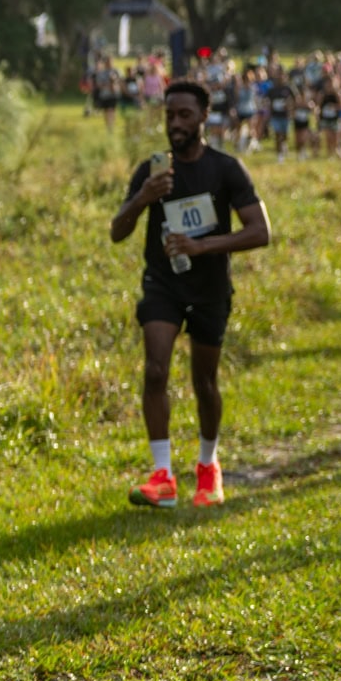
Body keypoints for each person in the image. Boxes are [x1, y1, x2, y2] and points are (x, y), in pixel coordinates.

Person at [109, 80, 272, 510]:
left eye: (184, 115)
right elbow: (116, 232)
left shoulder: (226, 169)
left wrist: (203, 246)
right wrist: (143, 197)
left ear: (203, 117)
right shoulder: (153, 170)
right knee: (155, 371)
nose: (175, 123)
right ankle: (162, 477)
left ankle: (207, 466)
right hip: (163, 284)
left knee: (204, 381)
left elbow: (260, 232)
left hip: (209, 288)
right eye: (169, 115)